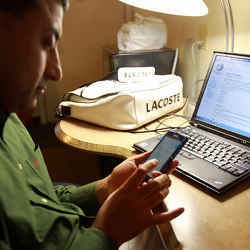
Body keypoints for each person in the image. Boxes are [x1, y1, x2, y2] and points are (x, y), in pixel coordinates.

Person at [0, 0, 184, 249]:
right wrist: (108, 232)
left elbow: (43, 201)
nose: (56, 72)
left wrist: (105, 188)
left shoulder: (10, 121)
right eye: (45, 43)